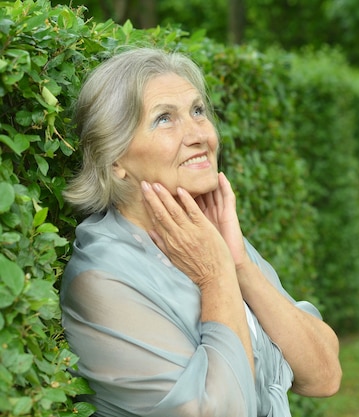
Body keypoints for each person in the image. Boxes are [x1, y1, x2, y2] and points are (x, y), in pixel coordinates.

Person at [60, 47, 342, 417]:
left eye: (197, 111)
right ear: (115, 161)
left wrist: (240, 266)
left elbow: (325, 376)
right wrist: (216, 276)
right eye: (164, 119)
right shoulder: (101, 280)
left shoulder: (209, 236)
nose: (198, 135)